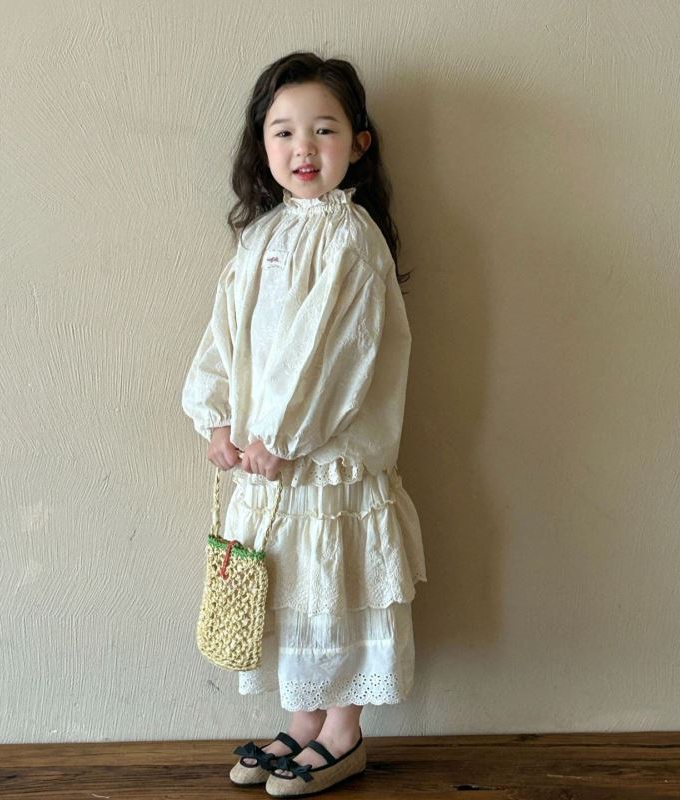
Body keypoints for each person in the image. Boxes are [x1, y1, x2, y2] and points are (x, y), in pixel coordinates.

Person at [181, 50, 428, 797]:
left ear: (358, 142)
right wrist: (218, 418)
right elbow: (225, 334)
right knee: (292, 591)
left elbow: (334, 356)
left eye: (323, 129)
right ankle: (303, 718)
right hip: (266, 464)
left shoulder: (352, 239)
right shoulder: (261, 237)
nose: (303, 148)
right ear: (262, 145)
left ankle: (343, 732)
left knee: (337, 586)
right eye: (283, 131)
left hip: (323, 462)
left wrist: (280, 437)